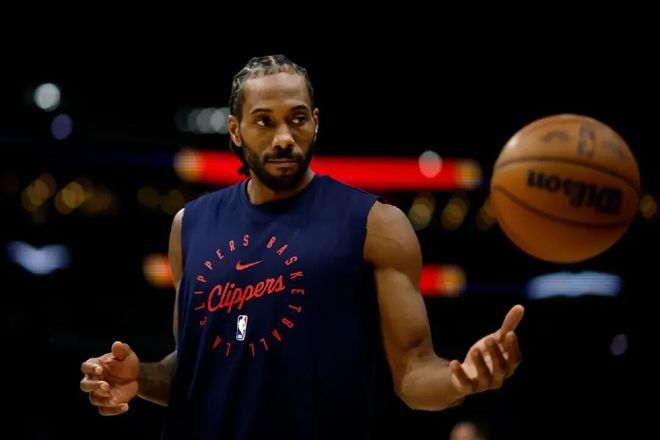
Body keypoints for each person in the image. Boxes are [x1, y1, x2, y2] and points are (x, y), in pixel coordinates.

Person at [80, 54, 524, 439]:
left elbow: (414, 370)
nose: (284, 137)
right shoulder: (189, 226)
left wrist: (460, 379)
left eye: (297, 119)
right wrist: (139, 378)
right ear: (235, 130)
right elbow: (195, 369)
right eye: (264, 121)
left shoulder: (375, 224)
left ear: (316, 121)